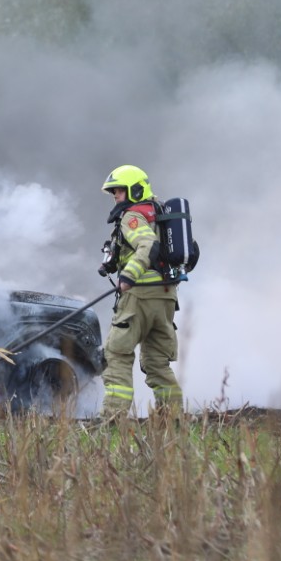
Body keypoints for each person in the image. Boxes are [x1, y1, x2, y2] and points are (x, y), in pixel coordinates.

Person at [97, 164, 181, 417]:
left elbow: (147, 244)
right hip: (165, 296)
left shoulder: (132, 217)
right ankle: (173, 419)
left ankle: (113, 418)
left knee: (116, 354)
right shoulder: (158, 214)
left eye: (119, 191)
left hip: (139, 297)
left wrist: (128, 275)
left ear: (134, 190)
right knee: (157, 362)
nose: (115, 196)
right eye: (114, 192)